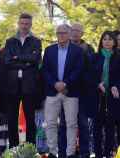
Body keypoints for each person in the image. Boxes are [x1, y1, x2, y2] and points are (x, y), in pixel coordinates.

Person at [42, 24, 83, 158]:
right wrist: (55, 84)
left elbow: (78, 70)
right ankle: (53, 152)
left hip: (70, 92)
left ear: (69, 33)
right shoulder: (49, 50)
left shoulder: (77, 51)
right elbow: (45, 70)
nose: (61, 35)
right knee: (50, 123)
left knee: (71, 124)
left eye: (64, 33)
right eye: (58, 33)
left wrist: (65, 83)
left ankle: (70, 153)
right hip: (52, 91)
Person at [3, 13, 42, 147]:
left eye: (27, 23)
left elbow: (35, 60)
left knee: (30, 118)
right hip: (12, 85)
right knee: (12, 119)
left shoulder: (36, 41)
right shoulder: (10, 41)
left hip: (29, 85)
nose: (24, 26)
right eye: (22, 23)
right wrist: (26, 61)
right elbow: (7, 61)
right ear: (18, 24)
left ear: (30, 24)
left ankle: (31, 148)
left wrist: (17, 57)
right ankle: (13, 148)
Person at [58, 23, 96, 158]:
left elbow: (91, 70)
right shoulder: (63, 48)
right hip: (66, 92)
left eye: (78, 31)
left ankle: (85, 153)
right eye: (72, 30)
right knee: (64, 124)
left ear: (82, 34)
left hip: (82, 93)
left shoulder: (89, 49)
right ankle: (63, 153)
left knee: (83, 124)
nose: (75, 33)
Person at [93, 31, 120, 158]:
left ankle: (108, 153)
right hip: (98, 97)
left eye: (110, 39)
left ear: (114, 42)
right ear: (101, 41)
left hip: (113, 97)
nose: (107, 41)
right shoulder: (95, 56)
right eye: (105, 39)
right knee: (97, 127)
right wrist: (98, 84)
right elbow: (89, 76)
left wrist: (116, 86)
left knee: (110, 127)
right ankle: (98, 154)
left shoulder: (118, 57)